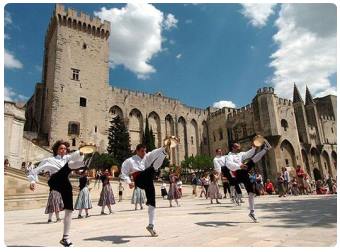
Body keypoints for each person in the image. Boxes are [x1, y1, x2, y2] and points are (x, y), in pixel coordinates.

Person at [27, 140, 86, 247]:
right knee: (70, 165)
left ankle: (65, 238)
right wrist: (32, 181)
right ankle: (84, 164)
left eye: (65, 148)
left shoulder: (68, 157)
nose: (63, 150)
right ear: (56, 150)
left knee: (69, 209)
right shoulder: (49, 160)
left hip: (65, 182)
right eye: (61, 148)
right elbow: (34, 170)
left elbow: (74, 156)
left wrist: (81, 152)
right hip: (54, 180)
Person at [120, 140, 171, 237]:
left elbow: (154, 152)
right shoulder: (130, 161)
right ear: (137, 151)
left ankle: (151, 225)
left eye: (145, 151)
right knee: (152, 169)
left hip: (148, 180)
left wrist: (164, 147)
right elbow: (124, 172)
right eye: (142, 151)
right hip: (139, 179)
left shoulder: (147, 156)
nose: (144, 153)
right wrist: (129, 182)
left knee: (152, 202)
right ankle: (164, 153)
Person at [224, 140, 272, 222]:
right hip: (238, 173)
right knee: (251, 162)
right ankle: (265, 149)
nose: (239, 146)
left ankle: (252, 212)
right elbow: (229, 165)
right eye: (237, 146)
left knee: (251, 193)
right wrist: (240, 166)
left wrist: (253, 147)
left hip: (244, 173)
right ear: (233, 147)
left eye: (239, 145)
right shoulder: (229, 156)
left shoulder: (241, 154)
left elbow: (248, 154)